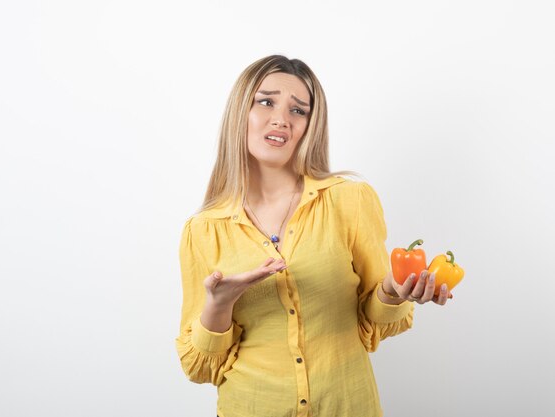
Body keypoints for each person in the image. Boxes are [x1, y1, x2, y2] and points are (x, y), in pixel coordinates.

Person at [175, 55, 451, 417]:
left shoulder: (348, 200)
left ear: (311, 126)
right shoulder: (203, 230)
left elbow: (377, 320)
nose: (281, 119)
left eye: (299, 110)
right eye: (266, 101)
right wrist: (219, 303)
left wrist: (391, 293)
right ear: (240, 111)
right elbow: (200, 366)